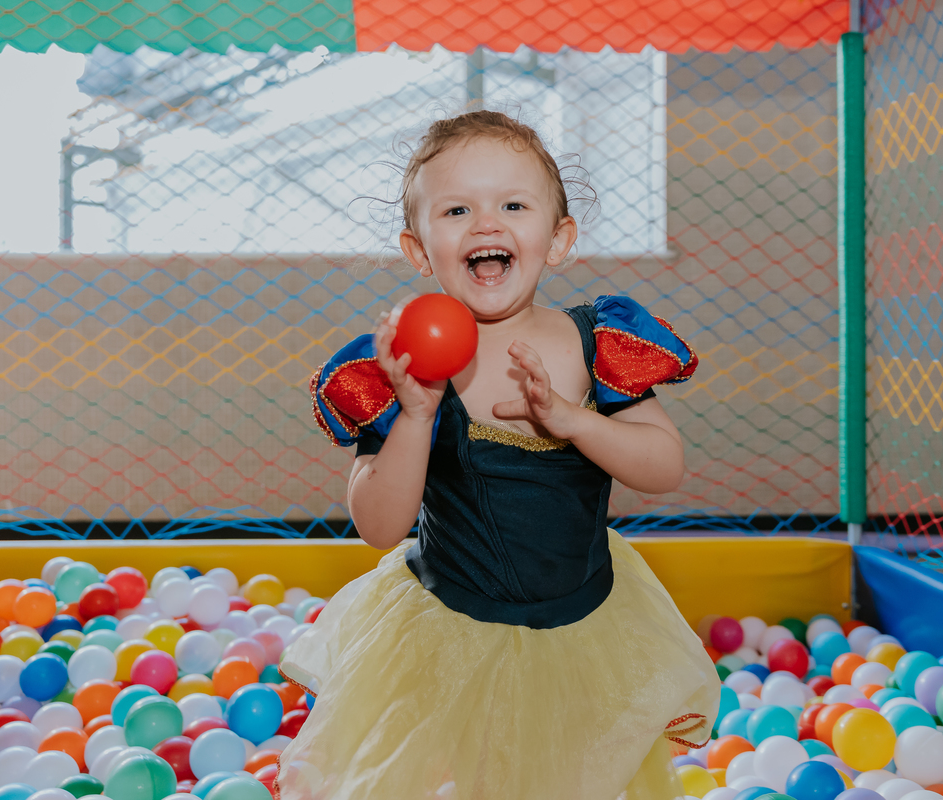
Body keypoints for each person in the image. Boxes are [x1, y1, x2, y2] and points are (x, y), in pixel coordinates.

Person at [277, 110, 720, 800]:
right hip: (447, 627)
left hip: (582, 625)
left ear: (559, 238)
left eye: (513, 204)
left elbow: (663, 467)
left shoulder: (593, 343)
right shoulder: (401, 366)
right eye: (457, 209)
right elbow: (378, 525)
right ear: (421, 250)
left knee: (563, 776)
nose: (487, 224)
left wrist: (575, 421)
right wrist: (418, 416)